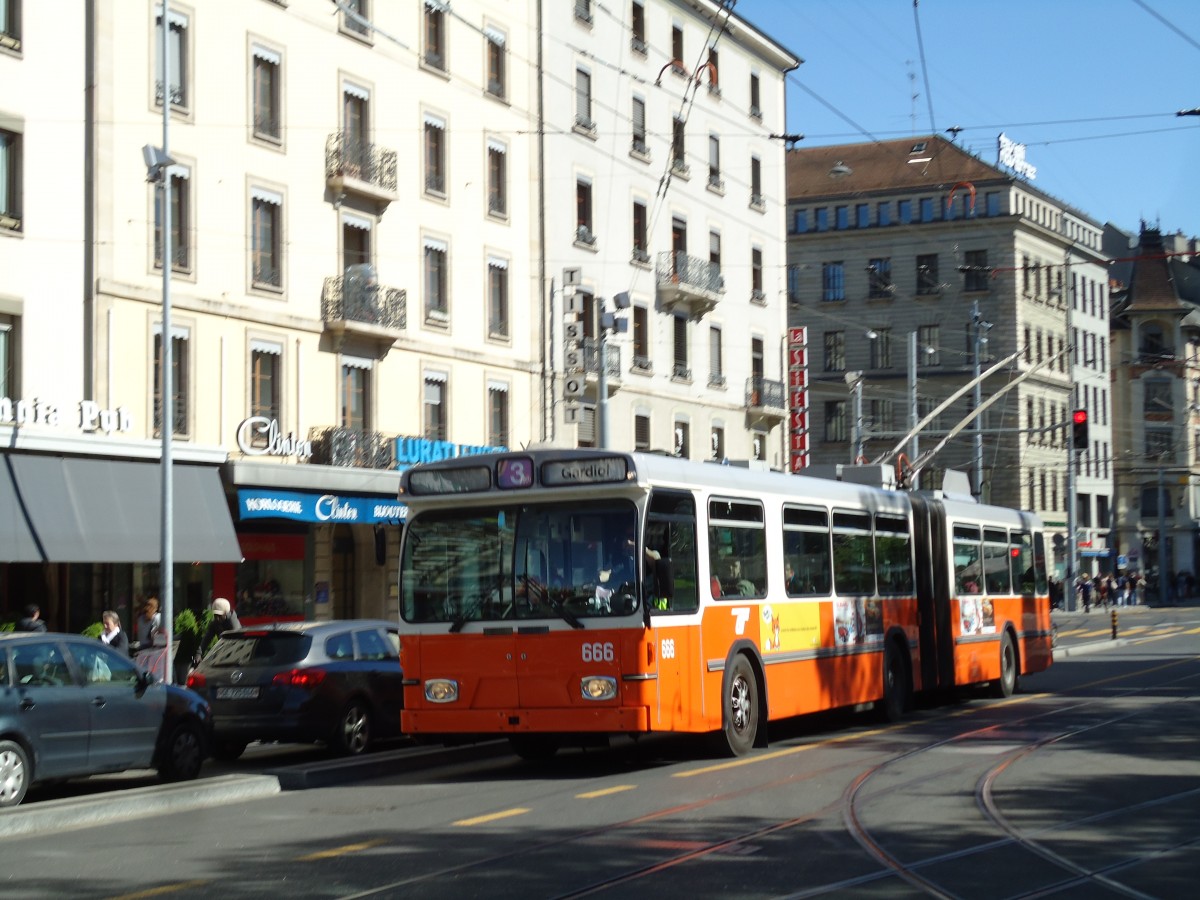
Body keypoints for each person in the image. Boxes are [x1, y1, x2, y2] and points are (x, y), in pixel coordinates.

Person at [198, 597, 239, 662]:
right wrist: (199, 654)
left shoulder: (234, 624)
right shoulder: (215, 623)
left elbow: (236, 644)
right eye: (215, 615)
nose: (217, 618)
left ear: (226, 613)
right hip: (223, 654)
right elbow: (206, 639)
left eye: (219, 615)